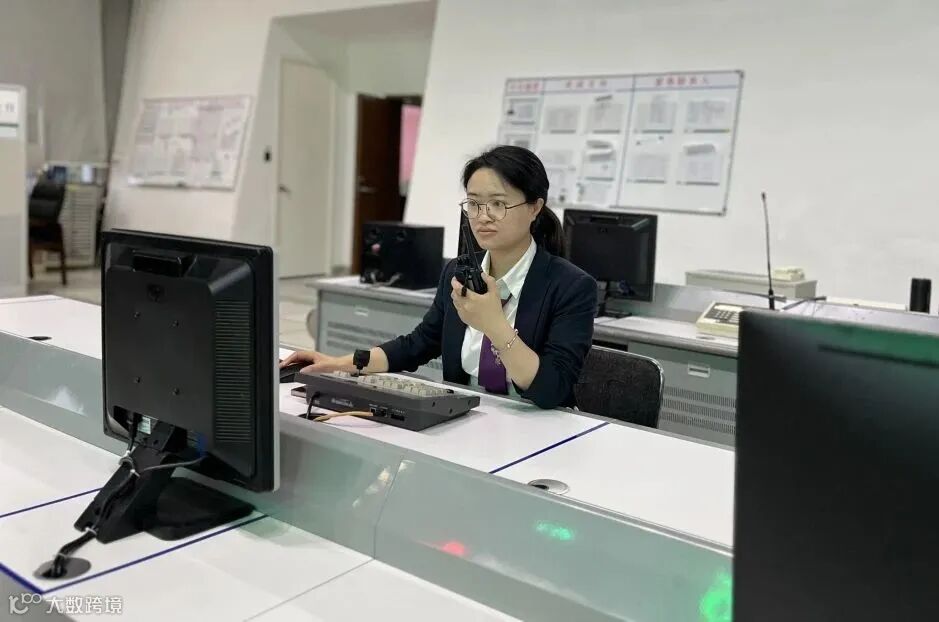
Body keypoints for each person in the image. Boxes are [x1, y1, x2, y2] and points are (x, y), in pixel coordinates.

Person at [282, 145, 598, 409]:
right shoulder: (458, 273)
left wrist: (494, 325)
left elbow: (552, 389)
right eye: (474, 204)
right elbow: (418, 344)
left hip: (539, 428)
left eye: (498, 204)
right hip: (470, 416)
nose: (483, 216)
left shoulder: (571, 286)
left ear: (534, 208)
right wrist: (338, 364)